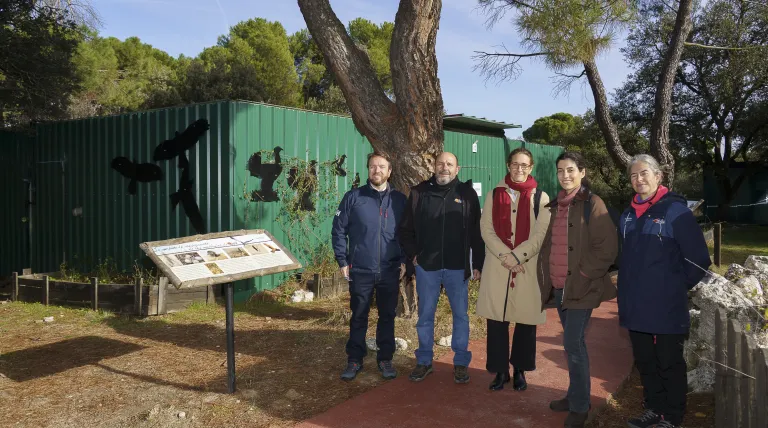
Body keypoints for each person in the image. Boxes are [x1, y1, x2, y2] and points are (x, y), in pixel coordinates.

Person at [618, 154, 711, 428]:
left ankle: (671, 417)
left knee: (669, 362)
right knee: (645, 361)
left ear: (659, 176)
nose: (639, 179)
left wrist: (673, 288)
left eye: (644, 173)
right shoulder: (626, 216)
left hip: (666, 306)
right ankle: (654, 409)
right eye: (633, 175)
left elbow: (698, 261)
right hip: (635, 305)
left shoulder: (675, 212)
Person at [537, 152, 618, 428]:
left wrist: (583, 275)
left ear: (582, 172)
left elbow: (607, 248)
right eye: (560, 171)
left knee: (574, 344)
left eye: (571, 170)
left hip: (581, 287)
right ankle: (574, 396)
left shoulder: (593, 204)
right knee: (571, 345)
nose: (565, 175)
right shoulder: (556, 205)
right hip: (560, 287)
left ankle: (581, 406)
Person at [398, 152, 484, 384]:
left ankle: (460, 363)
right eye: (440, 164)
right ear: (434, 167)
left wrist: (477, 263)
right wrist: (414, 255)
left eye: (449, 164)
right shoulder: (419, 193)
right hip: (428, 267)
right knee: (425, 316)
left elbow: (477, 231)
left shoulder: (467, 195)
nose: (444, 167)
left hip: (458, 267)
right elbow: (405, 230)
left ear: (457, 169)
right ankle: (424, 361)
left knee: (461, 317)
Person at [476, 147, 551, 393]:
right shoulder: (493, 194)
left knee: (526, 322)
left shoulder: (541, 197)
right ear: (508, 165)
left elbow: (540, 235)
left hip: (527, 267)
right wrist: (506, 256)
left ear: (531, 168)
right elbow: (486, 229)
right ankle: (499, 371)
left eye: (525, 165)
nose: (520, 169)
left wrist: (517, 256)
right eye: (515, 164)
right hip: (498, 266)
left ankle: (520, 369)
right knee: (497, 322)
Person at [332, 151, 407, 381]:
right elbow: (338, 229)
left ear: (389, 171)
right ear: (368, 170)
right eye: (373, 167)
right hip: (361, 269)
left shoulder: (400, 200)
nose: (377, 171)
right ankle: (354, 359)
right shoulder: (353, 197)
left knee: (387, 316)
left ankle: (385, 359)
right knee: (359, 315)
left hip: (389, 269)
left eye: (382, 167)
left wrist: (404, 260)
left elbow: (407, 233)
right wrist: (343, 260)